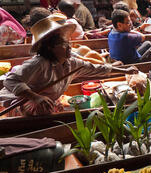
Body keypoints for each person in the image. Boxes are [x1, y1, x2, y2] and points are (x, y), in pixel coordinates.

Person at [0, 17, 137, 117]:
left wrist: (125, 70)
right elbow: (10, 80)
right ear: (51, 47)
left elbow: (96, 68)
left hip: (48, 100)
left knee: (59, 106)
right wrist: (35, 97)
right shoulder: (39, 63)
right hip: (22, 103)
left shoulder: (71, 62)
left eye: (69, 42)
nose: (69, 46)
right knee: (44, 108)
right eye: (64, 44)